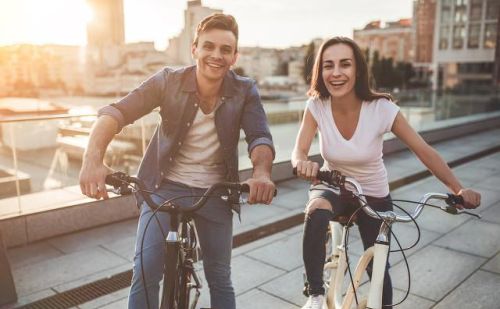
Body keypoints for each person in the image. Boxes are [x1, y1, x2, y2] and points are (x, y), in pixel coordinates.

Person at [79, 13, 276, 309]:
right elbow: (115, 113)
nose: (216, 55)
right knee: (145, 270)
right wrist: (92, 160)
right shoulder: (168, 81)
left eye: (225, 50)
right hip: (163, 185)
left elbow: (259, 136)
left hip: (217, 191)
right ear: (194, 49)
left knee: (220, 277)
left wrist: (261, 172)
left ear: (235, 57)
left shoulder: (245, 90)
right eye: (208, 47)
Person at [291, 37, 481, 309]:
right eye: (327, 65)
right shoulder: (317, 106)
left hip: (373, 192)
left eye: (345, 64)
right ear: (320, 72)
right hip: (333, 183)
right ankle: (315, 294)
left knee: (379, 268)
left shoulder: (381, 109)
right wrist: (302, 163)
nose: (336, 73)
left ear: (358, 70)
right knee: (316, 208)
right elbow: (299, 151)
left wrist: (458, 189)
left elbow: (424, 150)